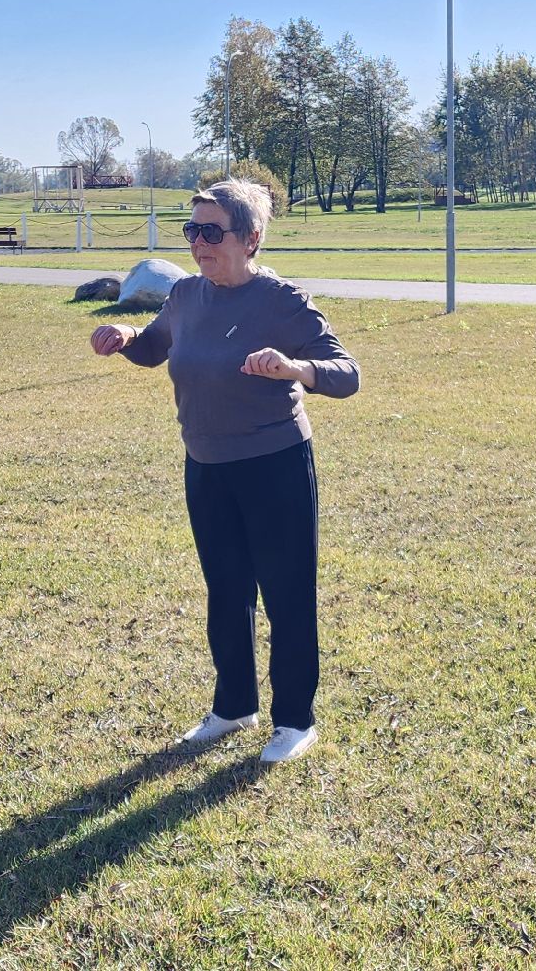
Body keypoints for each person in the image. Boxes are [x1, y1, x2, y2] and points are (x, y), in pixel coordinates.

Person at [90, 178, 359, 764]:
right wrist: (126, 337)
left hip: (275, 466)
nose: (198, 242)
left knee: (286, 594)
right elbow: (157, 346)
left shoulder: (282, 301)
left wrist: (294, 368)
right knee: (226, 592)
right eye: (192, 231)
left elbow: (346, 372)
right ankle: (234, 705)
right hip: (206, 467)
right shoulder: (187, 295)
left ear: (252, 238)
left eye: (212, 232)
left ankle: (295, 720)